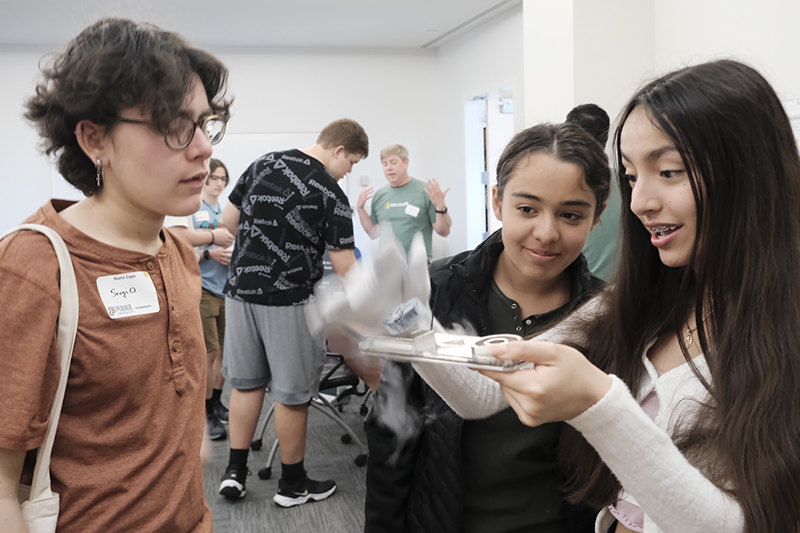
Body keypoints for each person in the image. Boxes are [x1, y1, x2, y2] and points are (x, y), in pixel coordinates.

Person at [413, 60, 800, 533]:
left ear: (750, 170)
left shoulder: (784, 326)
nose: (640, 203)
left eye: (670, 171)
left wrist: (600, 405)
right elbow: (482, 392)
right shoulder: (636, 302)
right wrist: (407, 323)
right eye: (632, 177)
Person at [0, 17, 230, 532]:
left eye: (204, 124)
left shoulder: (178, 254)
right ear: (94, 138)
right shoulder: (33, 267)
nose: (203, 148)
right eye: (174, 124)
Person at [364, 123, 610, 533]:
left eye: (570, 215)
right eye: (527, 209)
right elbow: (392, 429)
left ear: (596, 217)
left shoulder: (607, 316)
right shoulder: (435, 290)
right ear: (497, 201)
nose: (546, 233)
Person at [218, 119, 368, 508]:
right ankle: (293, 485)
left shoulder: (262, 163)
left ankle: (234, 474)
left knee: (246, 383)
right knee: (292, 394)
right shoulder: (331, 194)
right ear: (338, 151)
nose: (347, 172)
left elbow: (228, 222)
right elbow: (346, 266)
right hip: (290, 301)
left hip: (238, 293)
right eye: (350, 163)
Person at [167, 158, 236, 440]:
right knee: (207, 353)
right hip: (203, 287)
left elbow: (234, 241)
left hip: (227, 287)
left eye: (223, 179)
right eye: (214, 178)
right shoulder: (192, 210)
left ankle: (217, 402)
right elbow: (177, 243)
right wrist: (209, 252)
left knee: (223, 353)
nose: (219, 183)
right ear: (204, 179)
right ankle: (206, 412)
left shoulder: (227, 210)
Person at [357, 144, 451, 261]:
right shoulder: (380, 196)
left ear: (406, 163)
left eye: (393, 162)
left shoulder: (425, 191)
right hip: (388, 265)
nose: (388, 168)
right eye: (385, 164)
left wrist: (440, 206)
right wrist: (360, 209)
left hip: (417, 265)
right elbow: (373, 233)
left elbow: (444, 231)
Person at [567, 104, 621, 282]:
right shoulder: (627, 182)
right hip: (625, 293)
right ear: (606, 137)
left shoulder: (558, 185)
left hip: (577, 297)